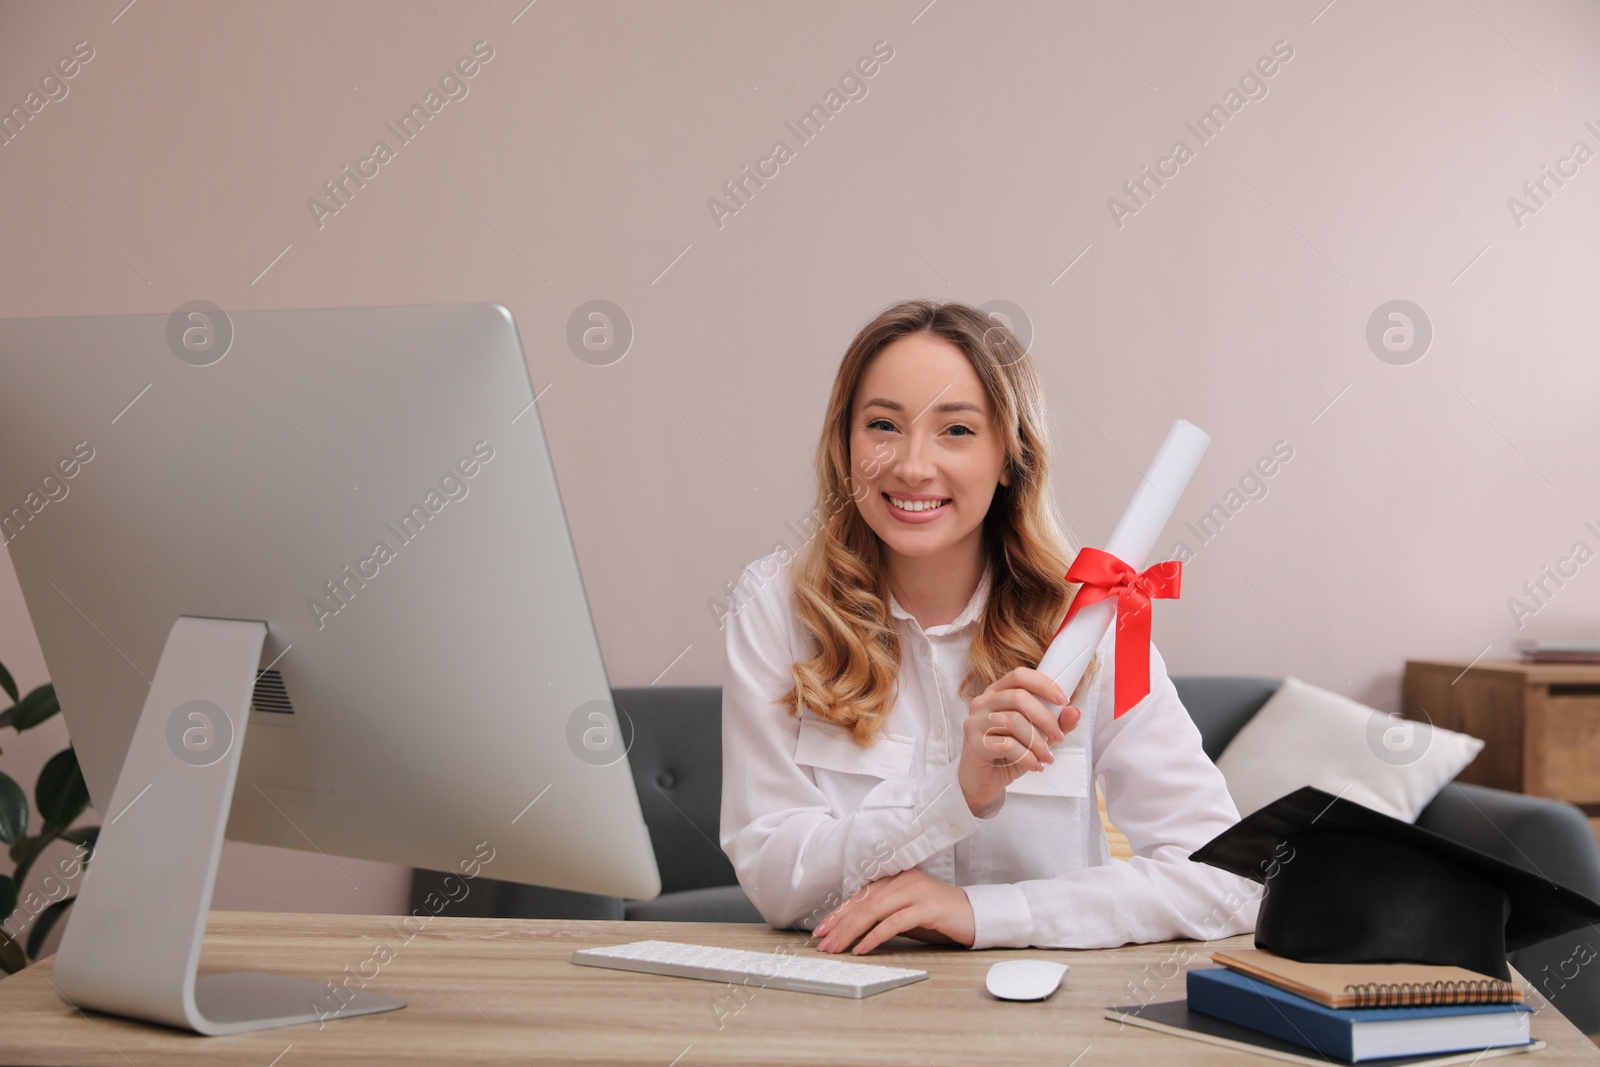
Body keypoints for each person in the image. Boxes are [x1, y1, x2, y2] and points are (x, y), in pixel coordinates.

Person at [718, 299, 1260, 955]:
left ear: (1010, 455)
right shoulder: (778, 606)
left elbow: (1229, 878)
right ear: (845, 443)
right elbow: (777, 877)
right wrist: (956, 790)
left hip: (1039, 1026)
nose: (913, 465)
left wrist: (988, 913)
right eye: (883, 424)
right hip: (839, 1007)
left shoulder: (1094, 624)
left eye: (956, 431)